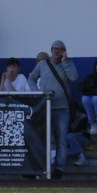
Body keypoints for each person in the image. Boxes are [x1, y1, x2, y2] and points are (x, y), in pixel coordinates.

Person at [28, 39, 79, 178]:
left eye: (59, 49)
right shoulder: (43, 64)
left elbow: (73, 77)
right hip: (45, 107)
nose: (56, 51)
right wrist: (37, 93)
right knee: (40, 138)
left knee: (61, 140)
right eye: (53, 48)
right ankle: (38, 167)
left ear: (63, 51)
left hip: (62, 109)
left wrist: (65, 62)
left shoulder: (68, 64)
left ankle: (59, 169)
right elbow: (31, 78)